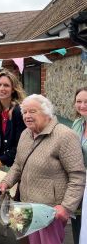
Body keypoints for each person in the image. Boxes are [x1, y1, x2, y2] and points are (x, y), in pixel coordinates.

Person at [0, 94, 86, 244]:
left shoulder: (65, 136)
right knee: (24, 241)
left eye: (32, 111)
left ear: (47, 114)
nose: (27, 116)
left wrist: (66, 207)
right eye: (24, 112)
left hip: (49, 210)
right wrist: (5, 183)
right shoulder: (25, 134)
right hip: (24, 204)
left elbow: (77, 176)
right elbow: (18, 164)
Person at [71, 87, 87, 244]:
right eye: (79, 101)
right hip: (77, 182)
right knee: (77, 219)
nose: (82, 105)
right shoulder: (77, 123)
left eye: (86, 101)